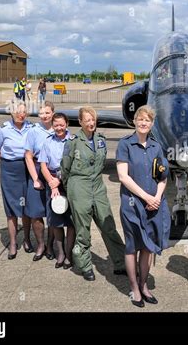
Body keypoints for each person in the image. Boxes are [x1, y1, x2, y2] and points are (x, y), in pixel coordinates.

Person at [61, 106, 126, 281]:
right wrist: (72, 189)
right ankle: (85, 265)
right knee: (83, 229)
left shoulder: (100, 139)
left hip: (97, 186)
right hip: (79, 186)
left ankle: (121, 263)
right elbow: (64, 168)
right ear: (80, 122)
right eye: (87, 120)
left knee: (108, 225)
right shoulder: (72, 142)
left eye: (93, 120)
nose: (91, 123)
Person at [116, 105, 170, 308]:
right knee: (132, 246)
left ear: (152, 123)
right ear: (134, 121)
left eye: (147, 120)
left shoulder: (156, 147)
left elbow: (163, 177)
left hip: (153, 204)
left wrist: (156, 196)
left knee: (148, 247)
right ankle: (134, 288)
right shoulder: (125, 144)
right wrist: (147, 197)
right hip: (132, 203)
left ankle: (144, 285)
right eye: (140, 119)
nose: (143, 122)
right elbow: (123, 177)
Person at [0, 103, 33, 259]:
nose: (20, 115)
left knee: (27, 207)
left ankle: (28, 239)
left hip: (28, 168)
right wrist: (10, 161)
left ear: (27, 114)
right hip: (10, 171)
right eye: (17, 112)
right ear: (12, 113)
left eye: (23, 112)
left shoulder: (32, 128)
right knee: (11, 209)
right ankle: (14, 243)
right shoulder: (3, 129)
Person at [39, 113, 75, 269]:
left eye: (61, 125)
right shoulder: (47, 142)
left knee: (71, 221)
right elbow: (43, 165)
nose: (59, 128)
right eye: (56, 125)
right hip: (52, 181)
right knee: (56, 220)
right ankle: (60, 253)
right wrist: (52, 184)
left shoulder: (74, 142)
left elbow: (74, 164)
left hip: (70, 182)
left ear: (66, 124)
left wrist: (59, 181)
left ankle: (69, 253)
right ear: (52, 126)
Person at [24, 101, 56, 261]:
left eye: (47, 113)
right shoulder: (33, 131)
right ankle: (41, 244)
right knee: (36, 213)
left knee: (53, 212)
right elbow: (28, 156)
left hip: (53, 172)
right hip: (37, 169)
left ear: (53, 113)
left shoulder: (59, 129)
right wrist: (36, 179)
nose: (44, 116)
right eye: (41, 113)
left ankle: (50, 245)